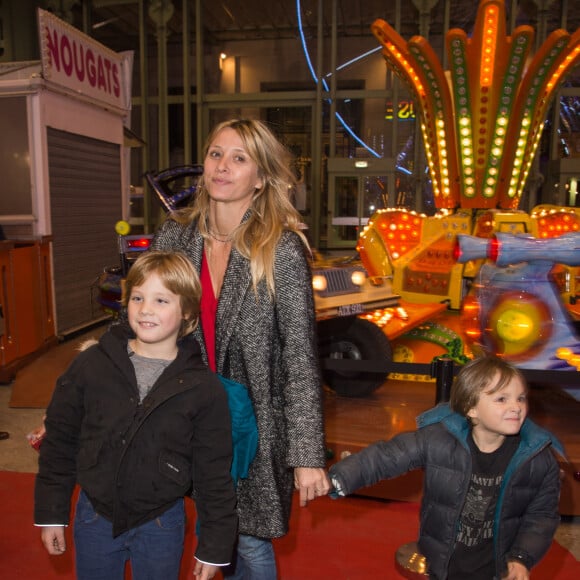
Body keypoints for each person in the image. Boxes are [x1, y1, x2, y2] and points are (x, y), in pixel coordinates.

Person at [151, 118, 329, 579]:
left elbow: (299, 358)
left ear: (262, 176)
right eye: (215, 154)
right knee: (199, 527)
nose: (222, 167)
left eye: (239, 158)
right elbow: (143, 319)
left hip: (253, 422)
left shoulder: (281, 248)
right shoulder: (174, 236)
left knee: (247, 538)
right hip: (188, 412)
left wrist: (307, 453)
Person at [34, 251, 237, 580]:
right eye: (138, 297)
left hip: (161, 521)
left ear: (186, 310)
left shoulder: (203, 387)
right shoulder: (91, 365)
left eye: (161, 300)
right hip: (94, 516)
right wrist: (51, 513)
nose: (145, 309)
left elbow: (213, 473)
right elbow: (60, 443)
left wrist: (215, 545)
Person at [328, 355, 565, 580]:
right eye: (502, 399)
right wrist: (339, 478)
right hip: (442, 562)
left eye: (521, 398)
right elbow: (387, 457)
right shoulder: (438, 439)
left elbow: (541, 516)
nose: (516, 407)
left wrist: (522, 556)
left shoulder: (537, 459)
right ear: (471, 409)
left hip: (495, 566)